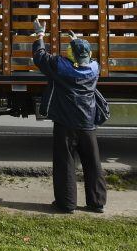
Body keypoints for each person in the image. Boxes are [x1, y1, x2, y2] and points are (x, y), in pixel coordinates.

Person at [31, 18, 107, 214]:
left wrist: (40, 35)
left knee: (65, 163)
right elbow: (85, 57)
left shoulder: (59, 66)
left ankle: (66, 204)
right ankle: (97, 202)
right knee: (93, 163)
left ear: (70, 55)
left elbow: (40, 56)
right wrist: (77, 41)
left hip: (65, 123)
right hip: (88, 123)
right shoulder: (94, 69)